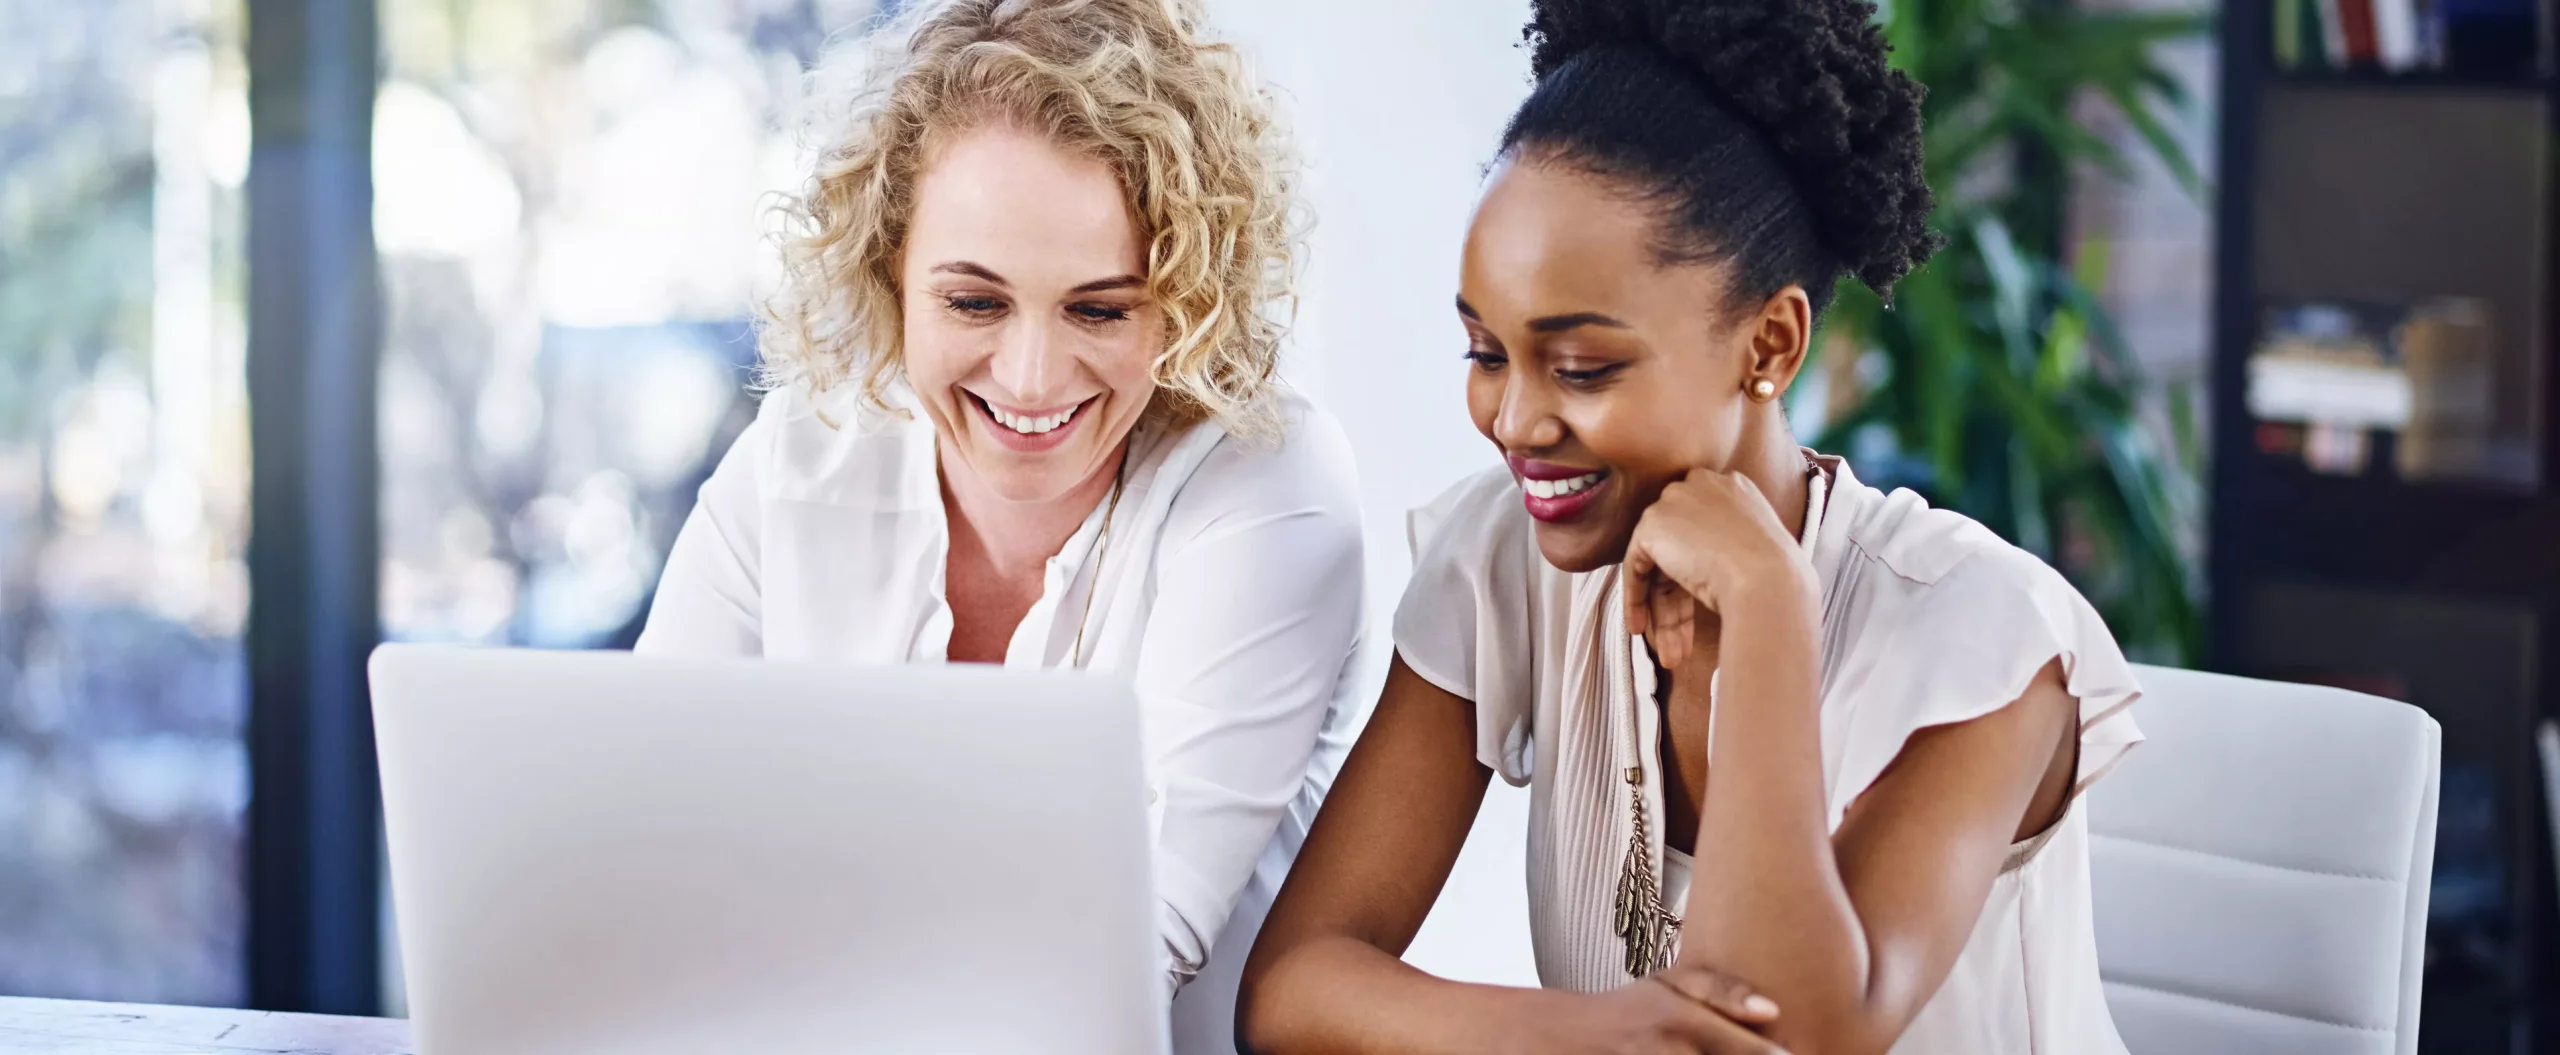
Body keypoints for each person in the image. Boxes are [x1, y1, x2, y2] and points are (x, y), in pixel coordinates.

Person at [1237, 0, 2143, 1052]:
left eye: (1581, 367)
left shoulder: (1985, 639)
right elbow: (1294, 986)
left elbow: (1796, 1034)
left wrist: (1767, 614)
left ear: (1768, 343)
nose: (1515, 421)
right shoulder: (1506, 555)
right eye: (1485, 353)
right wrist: (1581, 1033)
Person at [634, 1, 1365, 1049]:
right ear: (889, 274)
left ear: (1187, 296)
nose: (1029, 377)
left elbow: (1121, 953)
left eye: (1100, 309)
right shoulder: (799, 455)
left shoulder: (1268, 484)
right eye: (974, 303)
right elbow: (642, 846)